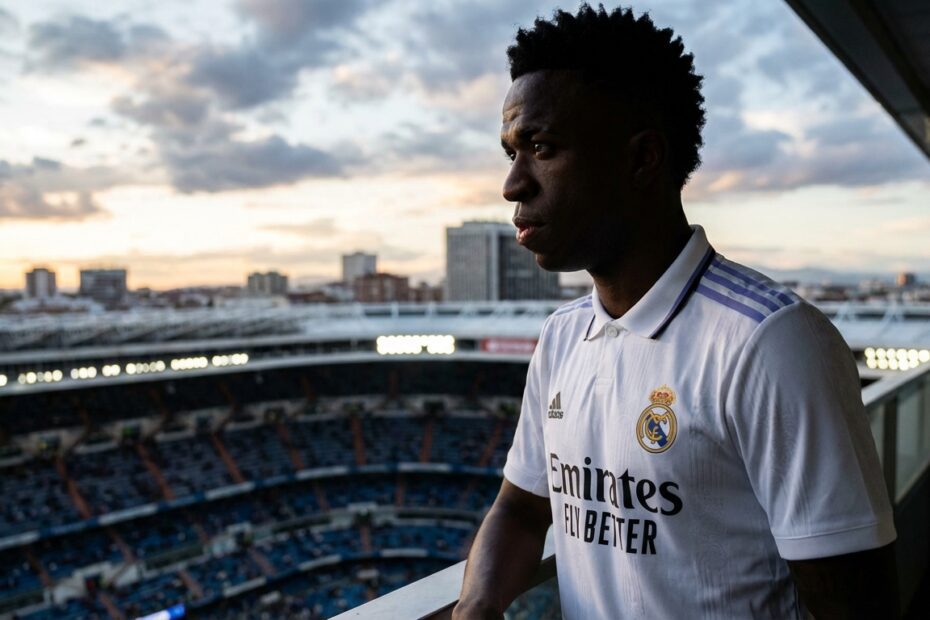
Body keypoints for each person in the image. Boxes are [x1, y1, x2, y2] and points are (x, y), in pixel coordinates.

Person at [452, 5, 898, 619]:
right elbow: (523, 508)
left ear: (643, 159)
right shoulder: (560, 339)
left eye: (542, 147)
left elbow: (855, 606)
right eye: (510, 152)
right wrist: (475, 605)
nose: (512, 184)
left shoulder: (770, 342)